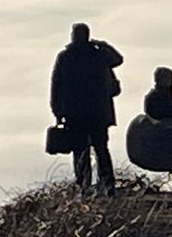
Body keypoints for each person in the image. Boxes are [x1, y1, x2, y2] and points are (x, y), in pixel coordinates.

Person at [50, 22, 124, 192]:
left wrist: (57, 111)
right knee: (100, 149)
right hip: (98, 112)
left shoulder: (66, 57)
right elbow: (117, 59)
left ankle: (84, 186)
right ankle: (107, 185)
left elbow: (56, 85)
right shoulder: (97, 55)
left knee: (80, 151)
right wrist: (103, 45)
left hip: (75, 113)